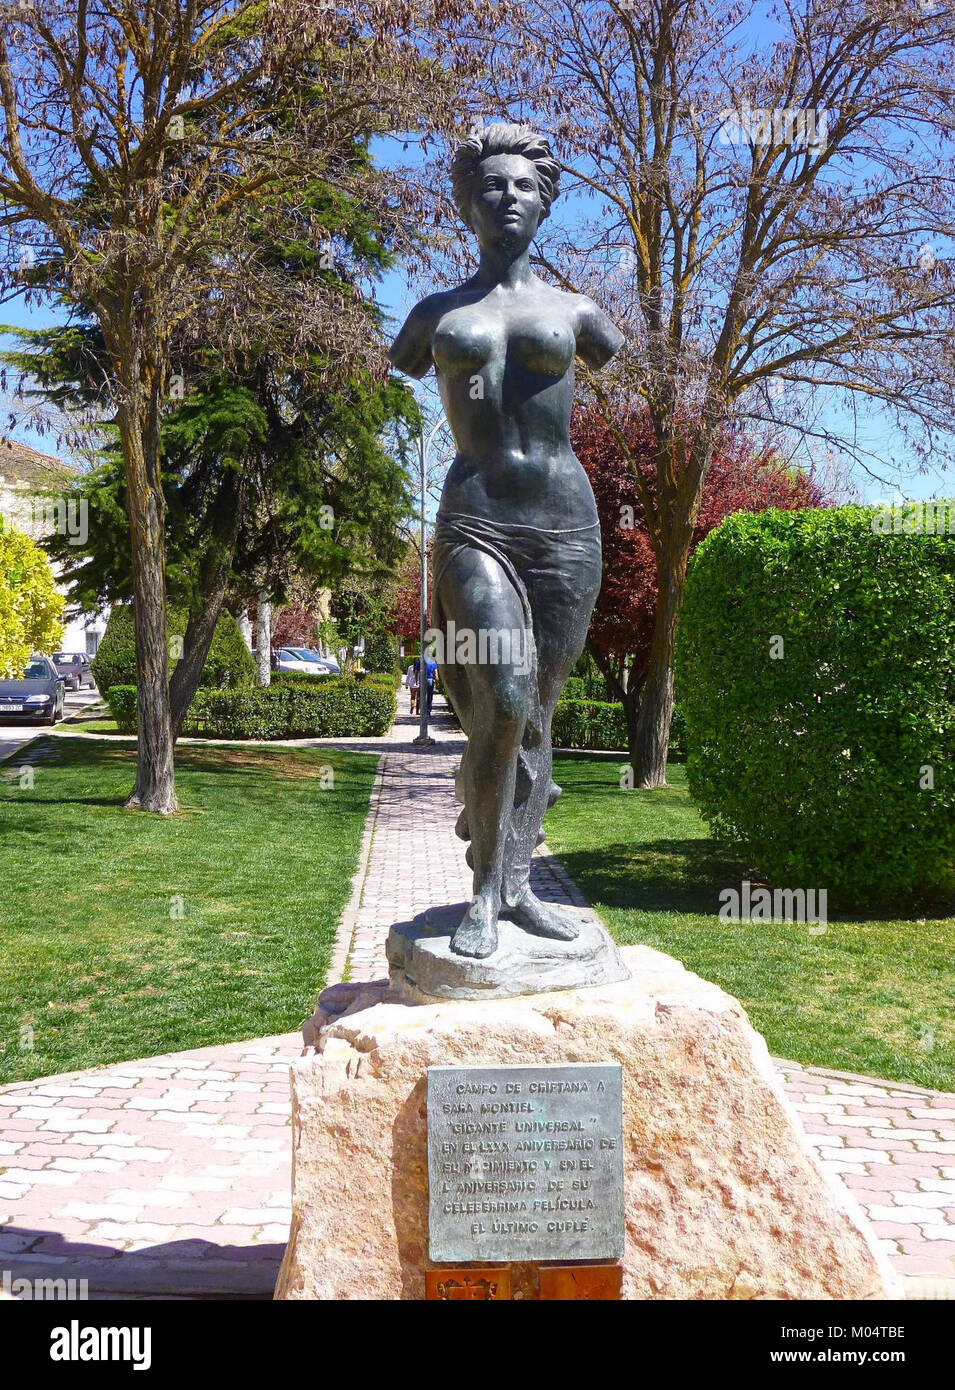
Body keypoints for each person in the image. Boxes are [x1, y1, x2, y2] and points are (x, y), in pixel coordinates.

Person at [389, 122, 623, 960]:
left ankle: (519, 886)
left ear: (545, 201)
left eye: (523, 185)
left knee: (538, 713)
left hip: (563, 524)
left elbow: (608, 356)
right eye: (491, 185)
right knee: (507, 694)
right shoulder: (434, 316)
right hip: (475, 518)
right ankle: (484, 892)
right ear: (465, 203)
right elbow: (408, 361)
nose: (508, 197)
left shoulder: (577, 313)